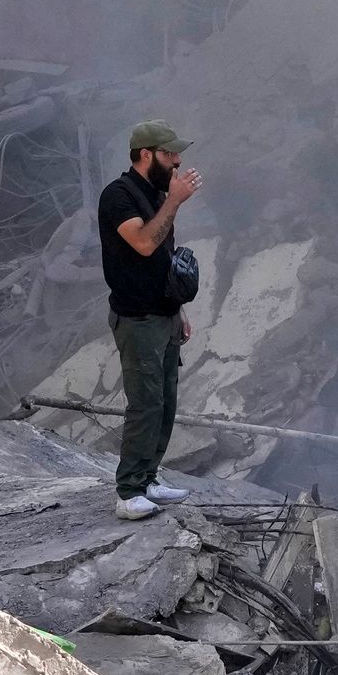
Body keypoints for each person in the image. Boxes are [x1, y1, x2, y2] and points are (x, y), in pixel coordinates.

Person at [98, 119, 201, 519]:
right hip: (138, 318)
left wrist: (179, 309)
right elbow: (143, 243)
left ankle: (148, 479)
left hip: (164, 314)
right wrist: (174, 202)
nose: (177, 161)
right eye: (170, 153)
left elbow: (162, 258)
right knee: (144, 404)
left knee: (166, 402)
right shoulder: (119, 195)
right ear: (147, 155)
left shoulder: (155, 192)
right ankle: (127, 494)